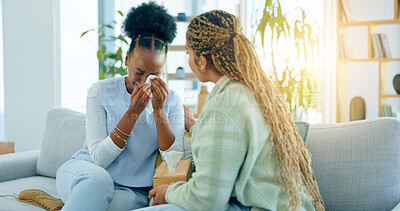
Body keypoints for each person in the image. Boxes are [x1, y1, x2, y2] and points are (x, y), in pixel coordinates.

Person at [138, 10, 325, 211]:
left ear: (201, 60)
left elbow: (207, 200)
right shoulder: (254, 91)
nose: (188, 59)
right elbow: (230, 144)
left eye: (188, 53)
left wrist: (169, 192)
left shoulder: (223, 105)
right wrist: (193, 125)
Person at [56, 2, 185, 210]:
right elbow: (98, 160)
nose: (144, 82)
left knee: (98, 200)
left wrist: (159, 111)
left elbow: (173, 160)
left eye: (154, 74)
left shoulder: (171, 101)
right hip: (85, 171)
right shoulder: (100, 91)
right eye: (139, 72)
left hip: (131, 191)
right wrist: (133, 113)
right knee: (97, 183)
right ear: (126, 59)